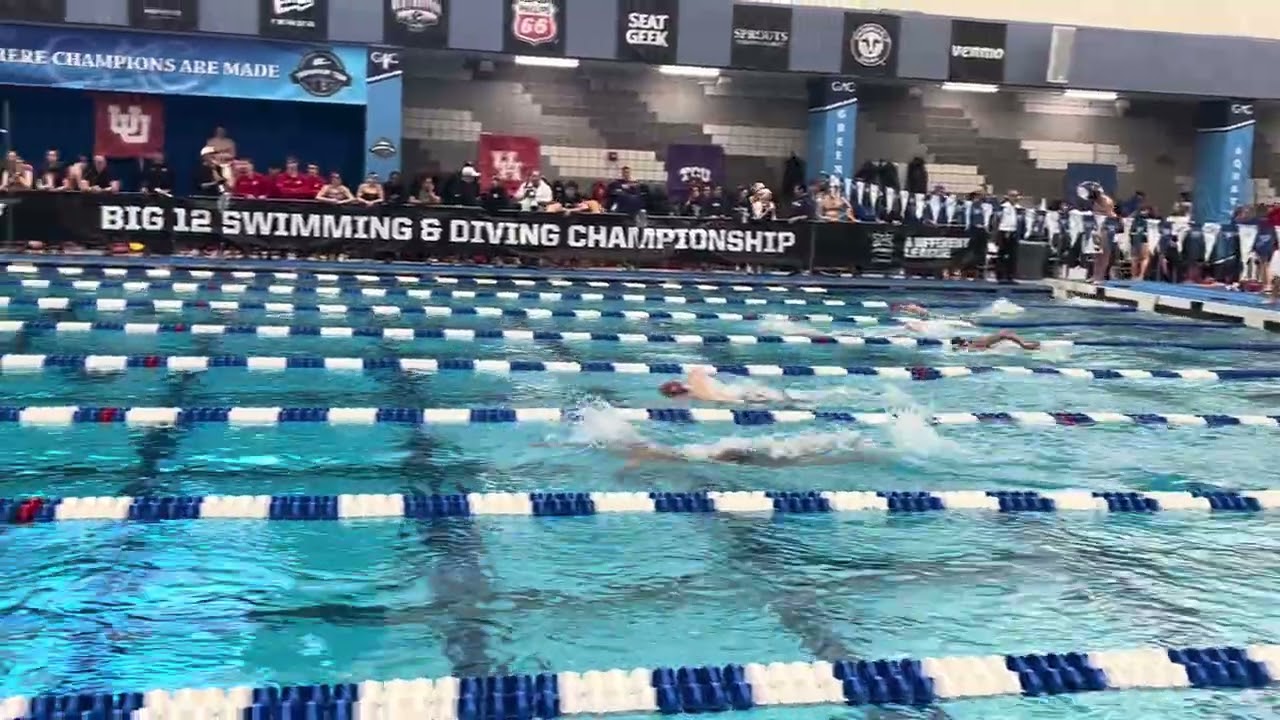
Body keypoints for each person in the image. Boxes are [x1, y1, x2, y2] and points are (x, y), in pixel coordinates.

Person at [658, 367, 790, 404]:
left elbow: (726, 399)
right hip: (747, 387)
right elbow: (699, 369)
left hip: (751, 395)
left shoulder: (702, 395)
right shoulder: (694, 376)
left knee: (788, 402)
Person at [950, 329, 1040, 351]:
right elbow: (983, 347)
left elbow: (982, 347)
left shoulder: (968, 344)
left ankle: (1028, 344)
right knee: (1022, 344)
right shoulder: (968, 343)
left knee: (1023, 345)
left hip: (1003, 335)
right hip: (1002, 335)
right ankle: (1029, 344)